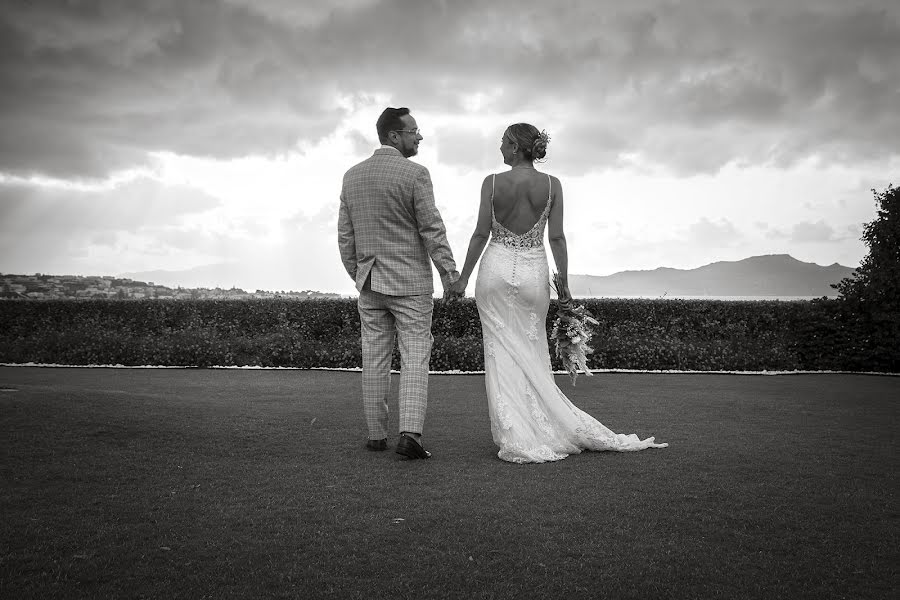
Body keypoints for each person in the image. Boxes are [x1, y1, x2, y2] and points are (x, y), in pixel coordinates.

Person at [447, 123, 667, 463]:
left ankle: (516, 433)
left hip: (494, 271)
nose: (500, 148)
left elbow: (479, 234)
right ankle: (541, 426)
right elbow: (557, 238)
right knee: (533, 351)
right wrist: (563, 285)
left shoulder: (491, 183)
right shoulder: (552, 185)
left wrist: (461, 279)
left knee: (500, 353)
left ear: (518, 147)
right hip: (535, 275)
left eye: (504, 142)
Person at [338, 107, 459, 460]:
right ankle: (410, 435)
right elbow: (432, 230)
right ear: (395, 135)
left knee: (373, 357)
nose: (419, 136)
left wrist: (360, 275)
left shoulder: (351, 176)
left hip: (370, 283)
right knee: (415, 357)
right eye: (414, 131)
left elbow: (346, 238)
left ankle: (376, 435)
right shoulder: (415, 174)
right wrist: (450, 277)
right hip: (410, 285)